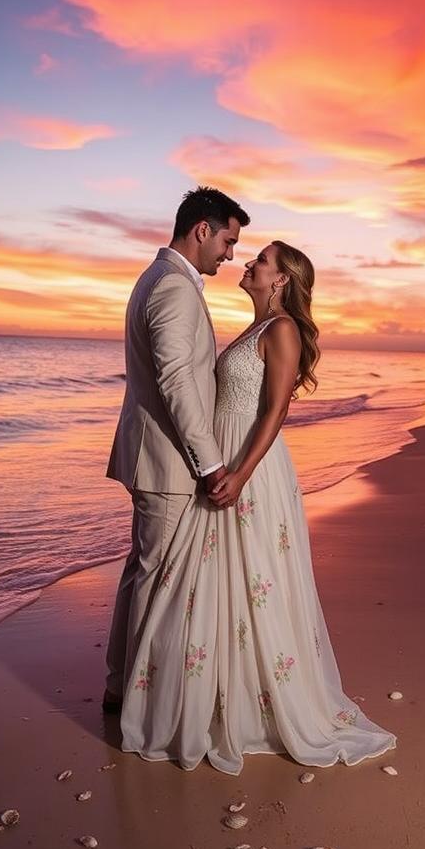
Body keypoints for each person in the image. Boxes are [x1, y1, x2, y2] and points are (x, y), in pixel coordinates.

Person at [119, 240, 397, 774]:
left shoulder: (284, 330)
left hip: (251, 467)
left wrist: (241, 474)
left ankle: (249, 698)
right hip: (224, 458)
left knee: (252, 579)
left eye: (261, 261)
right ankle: (214, 690)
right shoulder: (252, 329)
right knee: (210, 580)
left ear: (281, 281)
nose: (247, 263)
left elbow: (276, 411)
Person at [103, 186, 251, 710]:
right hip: (165, 461)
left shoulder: (161, 278)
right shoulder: (172, 287)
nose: (231, 254)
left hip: (153, 455)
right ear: (202, 230)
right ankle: (139, 700)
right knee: (156, 578)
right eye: (229, 241)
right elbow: (175, 381)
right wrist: (210, 462)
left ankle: (122, 684)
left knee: (142, 571)